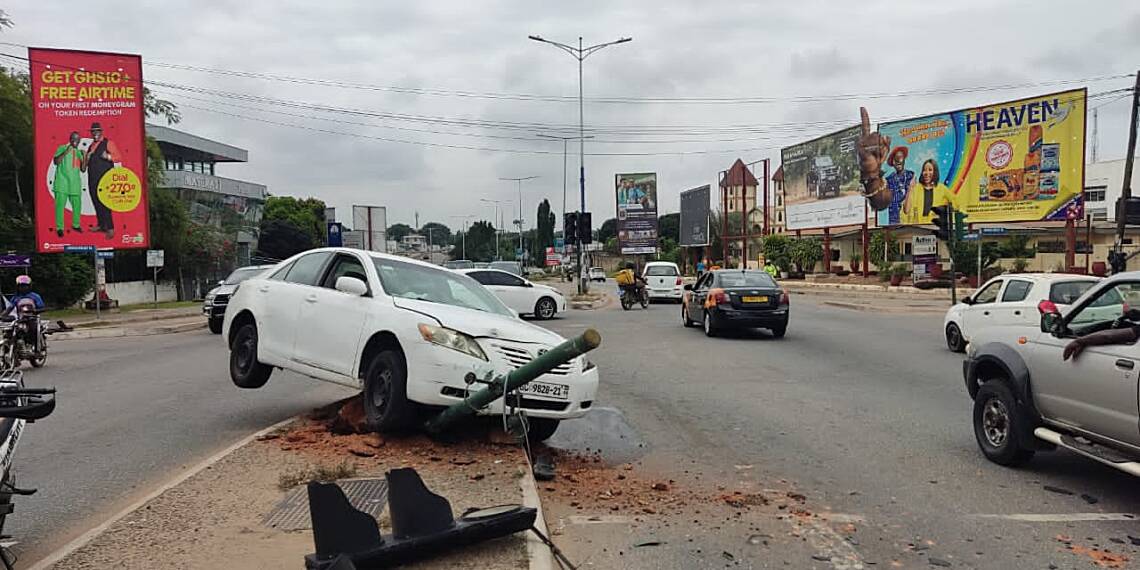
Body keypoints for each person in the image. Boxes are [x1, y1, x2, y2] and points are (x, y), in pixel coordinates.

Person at [85, 122, 121, 237]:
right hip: (93, 178)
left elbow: (118, 157)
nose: (95, 133)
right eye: (93, 131)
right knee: (95, 200)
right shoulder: (91, 146)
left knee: (105, 202)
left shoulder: (108, 143)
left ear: (101, 132)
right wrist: (87, 156)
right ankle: (101, 225)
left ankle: (110, 228)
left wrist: (108, 157)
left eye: (97, 131)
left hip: (105, 178)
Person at [51, 131, 86, 238]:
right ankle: (60, 228)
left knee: (77, 205)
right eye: (74, 138)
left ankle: (76, 225)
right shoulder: (62, 148)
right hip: (62, 183)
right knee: (60, 206)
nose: (76, 141)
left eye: (78, 139)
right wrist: (66, 152)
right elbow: (56, 161)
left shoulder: (79, 152)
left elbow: (83, 169)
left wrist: (85, 157)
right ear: (70, 139)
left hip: (74, 183)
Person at [902, 159, 949, 224]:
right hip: (918, 228)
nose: (927, 173)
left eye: (930, 170)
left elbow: (955, 204)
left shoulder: (942, 189)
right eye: (924, 170)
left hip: (936, 228)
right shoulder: (915, 188)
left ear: (935, 172)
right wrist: (910, 189)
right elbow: (906, 210)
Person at [884, 146, 914, 226]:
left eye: (900, 157)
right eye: (895, 159)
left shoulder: (911, 175)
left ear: (904, 159)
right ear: (892, 163)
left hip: (911, 221)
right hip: (894, 222)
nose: (898, 162)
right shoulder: (889, 180)